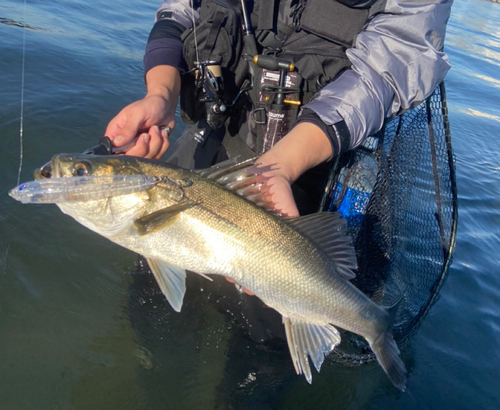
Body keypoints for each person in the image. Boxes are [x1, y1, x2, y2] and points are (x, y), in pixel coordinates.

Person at [105, 0, 453, 220]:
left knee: (268, 326)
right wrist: (160, 96)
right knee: (151, 284)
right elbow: (181, 13)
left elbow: (389, 68)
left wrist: (279, 168)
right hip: (214, 131)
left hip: (314, 165)